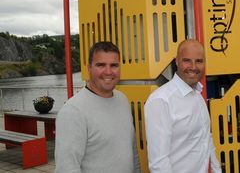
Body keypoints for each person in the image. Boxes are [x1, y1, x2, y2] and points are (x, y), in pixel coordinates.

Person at [55, 41, 141, 173]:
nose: (108, 72)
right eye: (101, 65)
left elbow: (132, 151)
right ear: (89, 68)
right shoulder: (73, 111)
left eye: (114, 65)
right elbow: (66, 168)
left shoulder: (122, 100)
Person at [144, 39, 221, 173]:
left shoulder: (198, 96)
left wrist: (217, 170)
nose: (193, 67)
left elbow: (206, 139)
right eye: (187, 60)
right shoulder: (161, 100)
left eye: (199, 61)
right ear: (176, 61)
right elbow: (159, 164)